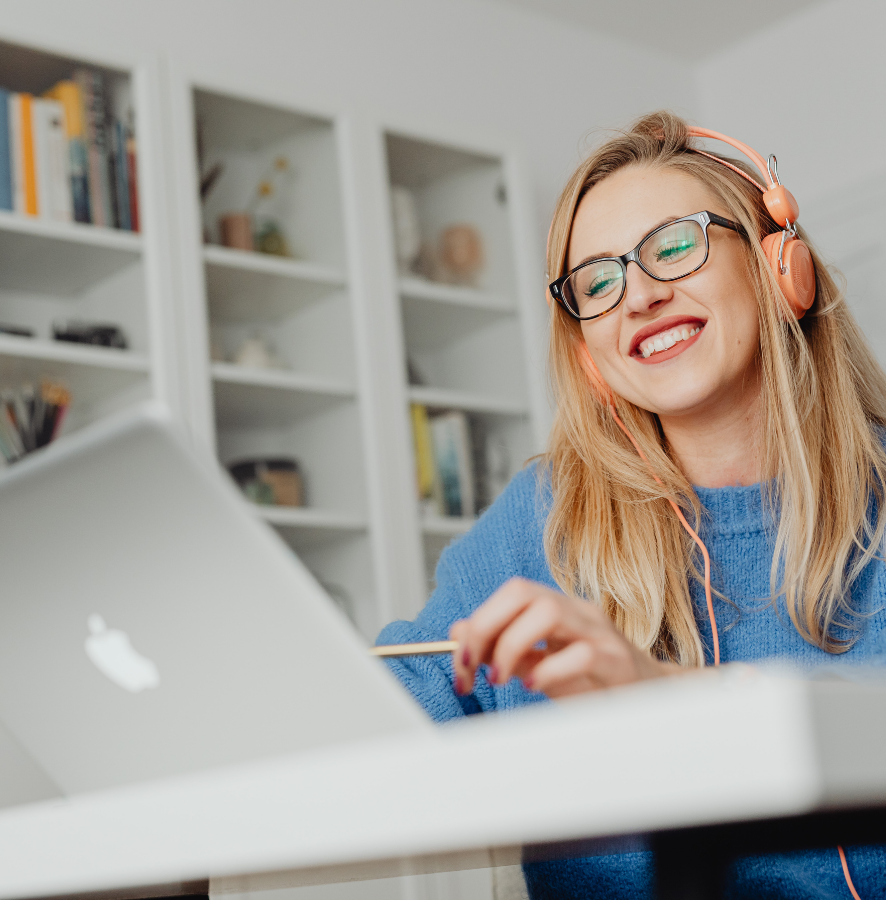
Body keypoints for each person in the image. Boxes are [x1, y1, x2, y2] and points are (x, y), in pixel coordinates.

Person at [376, 111, 886, 899]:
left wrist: (678, 704)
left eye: (675, 245)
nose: (640, 296)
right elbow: (390, 723)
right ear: (590, 352)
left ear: (779, 265)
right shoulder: (539, 522)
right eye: (598, 283)